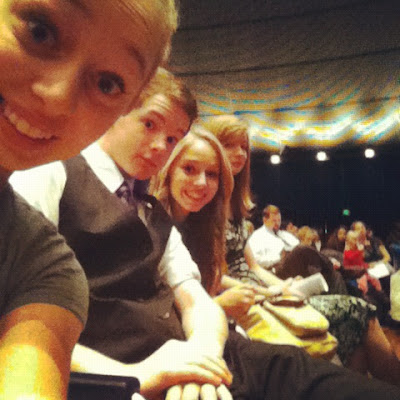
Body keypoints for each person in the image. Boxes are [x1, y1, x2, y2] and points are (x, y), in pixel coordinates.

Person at [0, 0, 178, 398]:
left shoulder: (45, 267)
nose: (57, 97)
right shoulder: (58, 180)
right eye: (40, 31)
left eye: (108, 83)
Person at [200, 114, 400, 385]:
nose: (239, 154)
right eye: (229, 145)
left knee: (358, 328)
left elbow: (253, 266)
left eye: (244, 147)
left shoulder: (234, 204)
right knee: (357, 311)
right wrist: (269, 292)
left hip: (263, 290)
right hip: (244, 299)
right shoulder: (202, 199)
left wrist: (280, 287)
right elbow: (214, 276)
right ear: (210, 146)